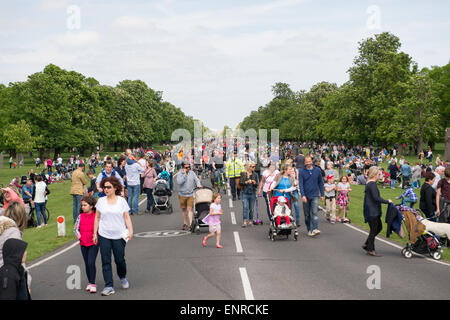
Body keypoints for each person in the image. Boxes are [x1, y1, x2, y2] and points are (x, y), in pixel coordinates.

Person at [93, 176, 133, 296]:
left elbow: (126, 217)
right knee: (105, 261)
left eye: (109, 187)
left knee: (119, 260)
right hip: (104, 234)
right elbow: (97, 217)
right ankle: (109, 285)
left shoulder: (121, 201)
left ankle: (122, 276)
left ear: (115, 188)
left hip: (119, 235)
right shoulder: (101, 201)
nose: (106, 189)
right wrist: (94, 233)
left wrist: (131, 231)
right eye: (104, 187)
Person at [362, 166, 392, 257]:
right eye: (379, 174)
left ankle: (367, 244)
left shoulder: (369, 183)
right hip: (372, 210)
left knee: (378, 227)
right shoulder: (372, 184)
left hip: (371, 209)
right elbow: (376, 198)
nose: (380, 175)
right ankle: (371, 249)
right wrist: (387, 201)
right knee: (374, 229)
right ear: (375, 174)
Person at [74, 196, 99, 294]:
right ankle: (90, 281)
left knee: (91, 262)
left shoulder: (96, 216)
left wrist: (95, 236)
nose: (83, 207)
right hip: (83, 243)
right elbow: (75, 229)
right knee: (86, 264)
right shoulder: (80, 216)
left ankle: (93, 283)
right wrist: (80, 237)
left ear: (91, 206)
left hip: (94, 243)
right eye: (82, 205)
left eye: (85, 205)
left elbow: (99, 228)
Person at [298, 156, 325, 237]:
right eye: (306, 162)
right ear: (304, 163)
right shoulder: (302, 171)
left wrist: (322, 194)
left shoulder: (317, 170)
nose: (308, 163)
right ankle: (309, 229)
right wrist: (303, 195)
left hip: (315, 194)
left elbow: (320, 182)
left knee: (314, 213)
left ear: (311, 161)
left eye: (309, 161)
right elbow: (301, 184)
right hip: (306, 195)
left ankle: (315, 229)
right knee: (307, 215)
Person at [176, 162, 202, 231]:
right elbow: (179, 182)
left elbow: (196, 179)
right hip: (182, 194)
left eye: (189, 167)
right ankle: (185, 223)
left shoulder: (192, 173)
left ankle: (191, 224)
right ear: (183, 167)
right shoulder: (179, 174)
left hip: (190, 193)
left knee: (190, 209)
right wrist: (184, 174)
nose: (188, 169)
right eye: (186, 167)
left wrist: (198, 184)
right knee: (184, 210)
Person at [239, 162, 259, 228]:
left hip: (252, 193)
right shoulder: (243, 174)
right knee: (245, 207)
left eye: (254, 166)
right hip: (245, 193)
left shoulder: (255, 174)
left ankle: (250, 221)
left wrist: (254, 183)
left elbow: (257, 184)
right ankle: (245, 221)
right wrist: (246, 182)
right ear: (248, 167)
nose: (254, 168)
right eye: (252, 167)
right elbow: (240, 183)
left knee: (252, 208)